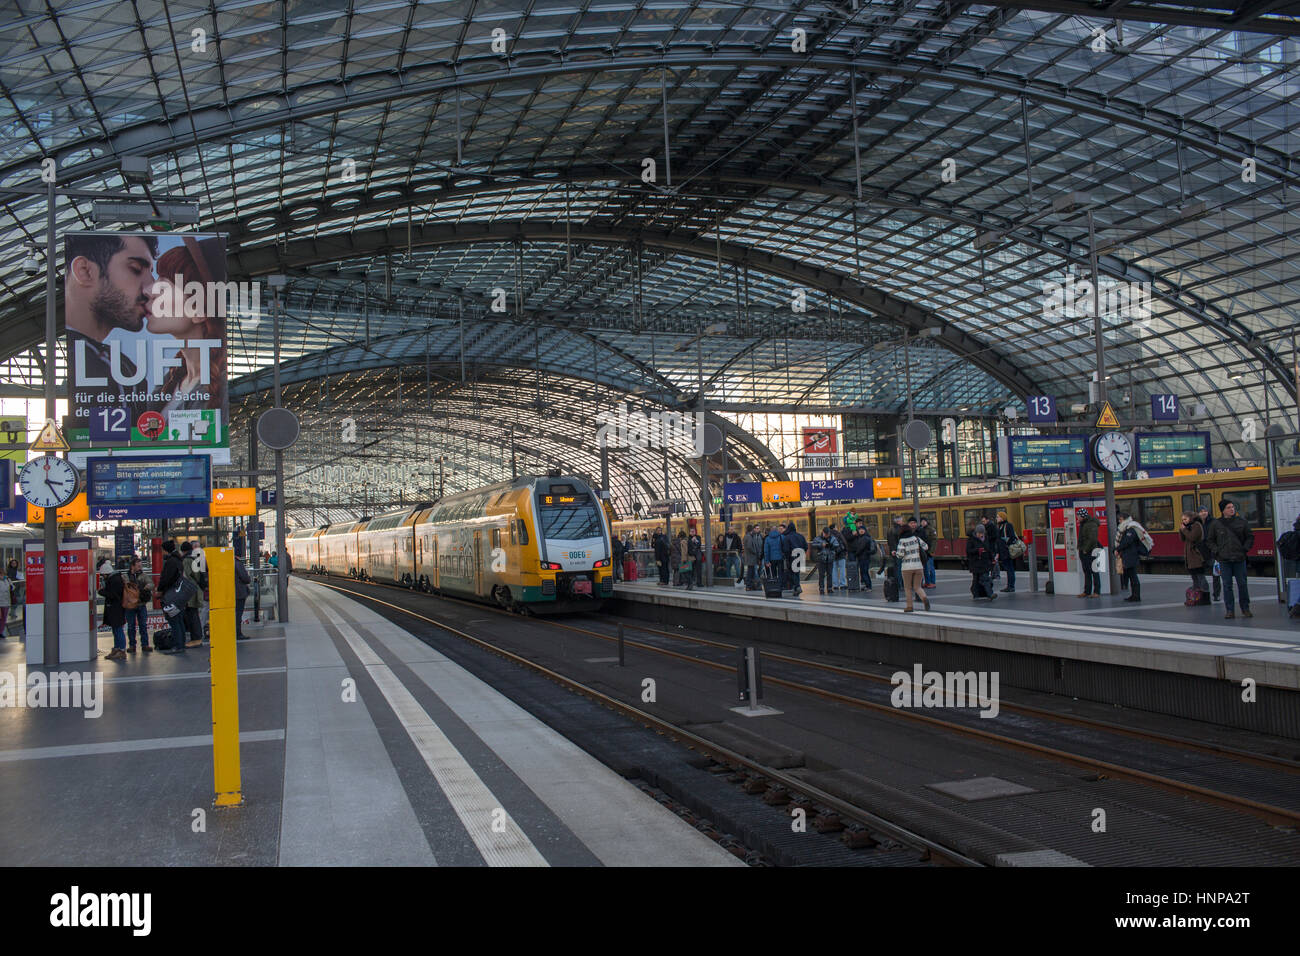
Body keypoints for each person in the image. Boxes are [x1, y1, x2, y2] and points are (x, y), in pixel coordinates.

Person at [63, 232, 160, 429]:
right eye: (135, 269)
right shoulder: (101, 362)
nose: (151, 289)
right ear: (85, 271)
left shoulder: (127, 368)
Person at [148, 236, 229, 415]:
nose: (149, 294)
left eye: (162, 289)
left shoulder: (219, 388)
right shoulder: (171, 379)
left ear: (198, 310)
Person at [1207, 499, 1253, 620]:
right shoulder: (1216, 524)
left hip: (1239, 558)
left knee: (1242, 584)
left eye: (1232, 507)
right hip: (1224, 559)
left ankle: (1245, 608)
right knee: (1227, 585)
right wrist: (1217, 551)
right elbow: (1210, 540)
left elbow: (1250, 537)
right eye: (1228, 507)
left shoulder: (1242, 522)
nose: (1232, 509)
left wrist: (1245, 549)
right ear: (1223, 510)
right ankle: (1230, 610)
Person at [157, 539, 188, 653]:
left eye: (162, 550)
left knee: (174, 621)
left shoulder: (171, 562)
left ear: (166, 550)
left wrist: (160, 590)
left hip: (171, 596)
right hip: (178, 594)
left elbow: (165, 579)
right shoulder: (178, 560)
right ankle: (181, 644)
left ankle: (178, 645)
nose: (162, 553)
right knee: (179, 620)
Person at [894, 522, 931, 612]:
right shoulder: (916, 538)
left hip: (907, 568)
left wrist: (896, 553)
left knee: (907, 588)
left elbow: (900, 554)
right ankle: (924, 599)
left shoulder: (902, 541)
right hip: (918, 566)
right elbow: (926, 547)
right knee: (917, 587)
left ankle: (909, 606)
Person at [99, 557, 129, 662]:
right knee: (116, 629)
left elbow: (113, 595)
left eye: (103, 575)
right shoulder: (116, 578)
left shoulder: (114, 580)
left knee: (118, 630)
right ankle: (117, 649)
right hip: (116, 608)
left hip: (116, 609)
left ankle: (121, 650)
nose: (102, 577)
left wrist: (102, 592)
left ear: (106, 573)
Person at [1114, 511, 1145, 603]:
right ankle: (1134, 595)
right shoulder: (1126, 528)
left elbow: (1127, 541)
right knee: (1131, 575)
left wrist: (1117, 549)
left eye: (1120, 519)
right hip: (1128, 554)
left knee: (1133, 575)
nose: (1119, 521)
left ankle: (1136, 596)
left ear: (1123, 519)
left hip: (1131, 555)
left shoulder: (1131, 528)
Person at [124, 556, 154, 653]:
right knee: (131, 626)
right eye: (138, 566)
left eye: (141, 566)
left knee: (143, 625)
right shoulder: (126, 576)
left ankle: (144, 645)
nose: (140, 568)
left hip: (141, 603)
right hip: (130, 605)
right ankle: (132, 645)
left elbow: (151, 584)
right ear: (132, 566)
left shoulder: (143, 576)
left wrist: (146, 587)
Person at [1179, 511, 1210, 600]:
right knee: (1194, 576)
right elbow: (1182, 539)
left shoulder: (1196, 525)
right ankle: (1197, 594)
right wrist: (1181, 530)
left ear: (1190, 518)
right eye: (1182, 520)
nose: (1184, 521)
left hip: (1197, 556)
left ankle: (1205, 594)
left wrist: (1184, 530)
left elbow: (1192, 537)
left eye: (1185, 519)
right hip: (1190, 557)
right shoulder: (1187, 527)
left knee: (1200, 575)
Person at [181, 541, 206, 648]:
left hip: (190, 591)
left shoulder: (187, 560)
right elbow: (199, 575)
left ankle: (196, 638)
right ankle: (197, 637)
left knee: (192, 614)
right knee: (193, 613)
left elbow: (191, 575)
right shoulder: (196, 558)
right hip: (196, 589)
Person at [966, 524, 996, 601]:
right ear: (976, 532)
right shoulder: (971, 540)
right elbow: (968, 551)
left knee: (985, 578)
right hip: (975, 563)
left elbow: (988, 550)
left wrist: (992, 559)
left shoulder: (986, 538)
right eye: (979, 533)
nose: (981, 535)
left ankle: (990, 594)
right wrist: (977, 550)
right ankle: (976, 594)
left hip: (984, 562)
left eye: (982, 533)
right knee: (976, 579)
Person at [1076, 509, 1101, 599]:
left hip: (1090, 551)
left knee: (1094, 571)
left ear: (1082, 516)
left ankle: (1096, 591)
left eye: (1078, 516)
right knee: (1086, 571)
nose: (1077, 518)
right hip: (1083, 550)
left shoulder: (1091, 524)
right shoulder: (1084, 524)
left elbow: (1092, 539)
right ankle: (1087, 591)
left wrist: (1086, 549)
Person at [1197, 505, 1220, 601]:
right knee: (1200, 574)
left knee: (1216, 575)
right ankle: (1205, 593)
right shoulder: (1195, 523)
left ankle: (1216, 594)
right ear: (1198, 513)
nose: (1203, 513)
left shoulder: (1214, 522)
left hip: (1212, 553)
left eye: (1205, 511)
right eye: (1201, 511)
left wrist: (1216, 549)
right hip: (1200, 553)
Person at [994, 511, 1019, 593]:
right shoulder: (999, 526)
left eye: (998, 517)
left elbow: (1012, 537)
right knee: (1008, 569)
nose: (996, 518)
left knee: (1010, 569)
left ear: (1002, 517)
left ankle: (1011, 586)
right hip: (1003, 551)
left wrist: (1005, 542)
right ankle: (1009, 585)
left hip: (1007, 551)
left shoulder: (1008, 526)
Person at [782, 521, 808, 597]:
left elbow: (786, 549)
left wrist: (787, 557)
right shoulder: (801, 536)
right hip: (801, 554)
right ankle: (796, 587)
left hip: (793, 556)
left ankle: (797, 587)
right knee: (797, 572)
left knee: (792, 573)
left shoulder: (787, 537)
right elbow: (806, 546)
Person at [850, 525, 875, 591]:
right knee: (864, 572)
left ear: (865, 530)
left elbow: (861, 548)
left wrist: (855, 554)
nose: (861, 531)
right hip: (863, 557)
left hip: (864, 557)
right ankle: (867, 585)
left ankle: (869, 586)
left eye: (862, 529)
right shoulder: (861, 537)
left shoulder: (865, 538)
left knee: (864, 572)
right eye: (860, 529)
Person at [762, 525, 785, 592]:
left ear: (771, 530)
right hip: (780, 558)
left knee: (773, 573)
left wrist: (767, 561)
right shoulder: (782, 537)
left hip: (772, 559)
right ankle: (781, 585)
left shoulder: (767, 538)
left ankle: (775, 585)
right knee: (781, 573)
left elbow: (766, 551)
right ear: (777, 530)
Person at [235, 554, 251, 640]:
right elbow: (246, 578)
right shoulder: (237, 563)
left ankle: (233, 632)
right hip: (239, 592)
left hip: (228, 592)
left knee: (234, 613)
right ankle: (238, 633)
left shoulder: (225, 562)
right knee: (238, 613)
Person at [743, 525, 764, 590]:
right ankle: (752, 585)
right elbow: (749, 546)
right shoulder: (749, 537)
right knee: (751, 572)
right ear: (752, 530)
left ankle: (750, 585)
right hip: (751, 558)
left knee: (751, 572)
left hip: (750, 558)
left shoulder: (747, 536)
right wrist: (755, 552)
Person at [918, 517, 937, 589]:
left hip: (929, 552)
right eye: (921, 521)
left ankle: (932, 582)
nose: (923, 523)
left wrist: (932, 551)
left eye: (924, 521)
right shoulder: (920, 529)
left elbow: (934, 541)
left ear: (926, 522)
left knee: (930, 567)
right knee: (925, 568)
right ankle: (927, 582)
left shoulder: (931, 529)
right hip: (923, 552)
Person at [816, 527, 836, 595]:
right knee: (821, 575)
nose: (827, 535)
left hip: (830, 558)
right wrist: (821, 545)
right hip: (821, 559)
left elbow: (837, 545)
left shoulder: (832, 538)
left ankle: (829, 588)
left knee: (830, 574)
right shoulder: (818, 538)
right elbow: (813, 545)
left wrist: (831, 545)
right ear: (823, 532)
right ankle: (821, 589)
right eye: (826, 534)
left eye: (828, 534)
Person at [830, 524, 848, 593]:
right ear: (835, 528)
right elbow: (844, 542)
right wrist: (846, 551)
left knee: (834, 570)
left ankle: (835, 585)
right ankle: (843, 584)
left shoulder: (829, 535)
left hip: (833, 555)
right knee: (842, 569)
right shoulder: (839, 534)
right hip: (841, 554)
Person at [886, 516, 905, 582]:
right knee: (899, 567)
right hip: (898, 551)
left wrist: (892, 550)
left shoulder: (890, 529)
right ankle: (900, 583)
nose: (902, 522)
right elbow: (895, 541)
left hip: (893, 551)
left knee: (895, 566)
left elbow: (889, 541)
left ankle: (896, 582)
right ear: (898, 521)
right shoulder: (899, 529)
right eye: (901, 521)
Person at [0, 571, 10, 638]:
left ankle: (1, 632)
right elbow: (4, 589)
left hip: (6, 602)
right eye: (1, 575)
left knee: (4, 618)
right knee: (1, 618)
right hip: (1, 602)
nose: (3, 576)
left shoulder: (7, 580)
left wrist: (8, 581)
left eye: (3, 574)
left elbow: (12, 587)